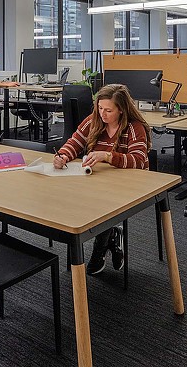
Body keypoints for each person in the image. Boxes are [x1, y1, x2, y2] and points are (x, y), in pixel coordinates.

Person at [53, 84, 151, 275]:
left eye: (108, 110)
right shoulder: (94, 121)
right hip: (99, 182)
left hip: (130, 185)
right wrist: (63, 156)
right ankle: (112, 236)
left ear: (121, 109)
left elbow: (139, 161)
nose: (103, 114)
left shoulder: (134, 127)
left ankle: (97, 255)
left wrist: (107, 156)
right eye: (100, 108)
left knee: (103, 206)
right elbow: (75, 141)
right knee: (72, 202)